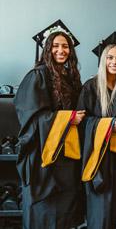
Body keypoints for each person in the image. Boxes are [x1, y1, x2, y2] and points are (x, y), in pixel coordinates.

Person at [14, 19, 85, 229]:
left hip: (67, 158)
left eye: (65, 46)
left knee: (64, 215)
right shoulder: (38, 76)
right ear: (47, 49)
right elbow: (32, 118)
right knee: (43, 214)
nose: (61, 50)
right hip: (43, 161)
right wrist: (68, 118)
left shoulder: (71, 79)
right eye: (55, 46)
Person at [77, 32, 116, 229]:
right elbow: (82, 123)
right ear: (103, 60)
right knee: (101, 211)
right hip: (99, 159)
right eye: (110, 58)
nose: (115, 62)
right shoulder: (91, 87)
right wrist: (108, 125)